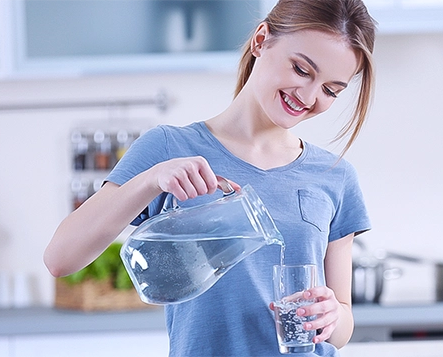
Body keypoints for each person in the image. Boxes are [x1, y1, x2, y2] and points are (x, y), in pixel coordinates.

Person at [44, 0, 376, 355]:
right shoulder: (170, 147)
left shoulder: (334, 177)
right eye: (301, 69)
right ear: (261, 40)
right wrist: (151, 180)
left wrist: (330, 316)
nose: (309, 97)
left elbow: (342, 325)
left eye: (330, 90)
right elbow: (61, 258)